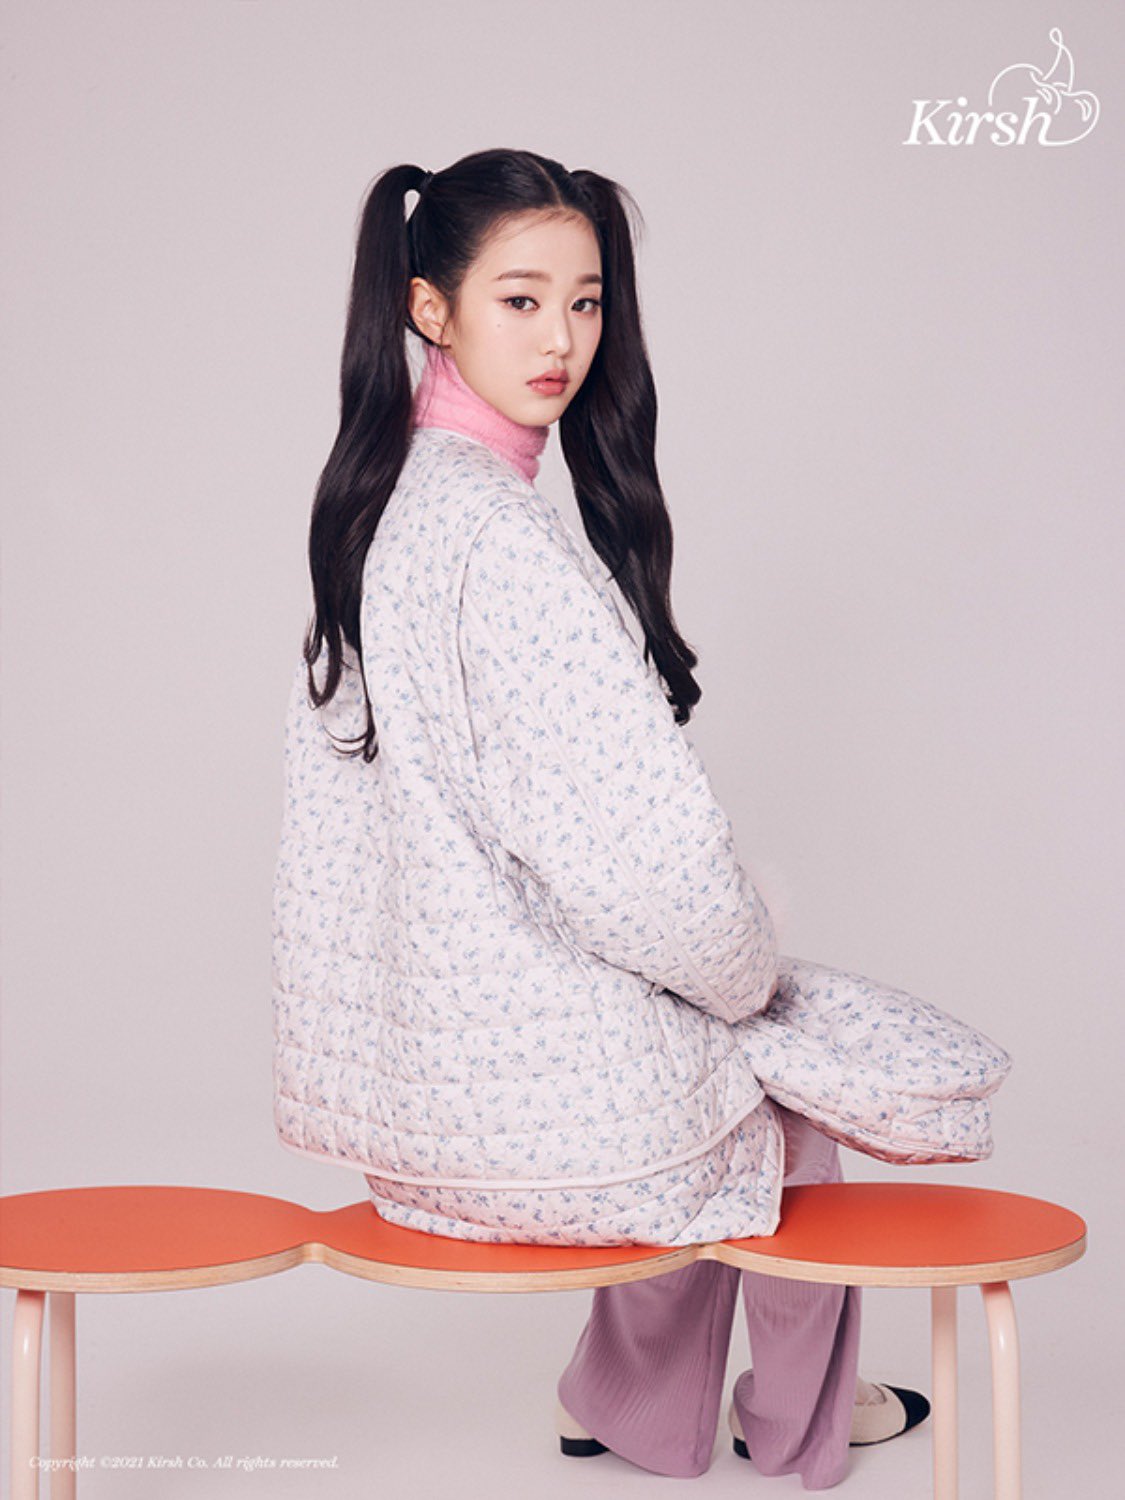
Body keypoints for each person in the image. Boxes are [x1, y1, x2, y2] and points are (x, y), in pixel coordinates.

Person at [271, 147, 929, 1487]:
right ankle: (798, 1420)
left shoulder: (378, 513)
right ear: (429, 308)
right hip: (527, 1119)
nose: (562, 339)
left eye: (585, 303)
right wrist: (745, 974)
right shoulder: (505, 543)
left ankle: (629, 1403)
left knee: (700, 1046)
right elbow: (650, 869)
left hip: (415, 1092)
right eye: (520, 300)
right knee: (780, 1083)